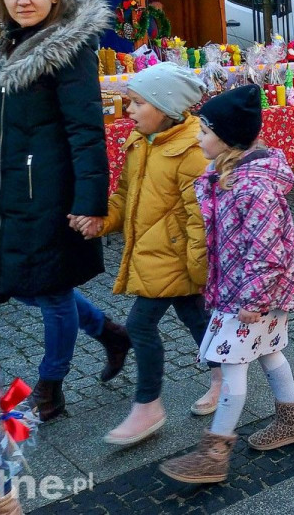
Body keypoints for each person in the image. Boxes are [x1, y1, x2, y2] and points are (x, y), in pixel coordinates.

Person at [0, 0, 129, 423]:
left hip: (52, 191)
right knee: (28, 284)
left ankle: (51, 386)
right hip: (10, 187)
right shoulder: (2, 44)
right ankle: (109, 333)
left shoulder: (68, 49)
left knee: (53, 290)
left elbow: (86, 131)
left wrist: (90, 202)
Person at [160, 85, 294, 484]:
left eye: (205, 131)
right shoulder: (228, 177)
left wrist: (253, 300)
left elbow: (265, 251)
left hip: (253, 296)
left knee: (232, 368)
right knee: (270, 353)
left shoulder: (252, 186)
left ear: (227, 139)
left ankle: (214, 454)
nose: (198, 137)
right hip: (248, 290)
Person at [76, 63, 219, 447]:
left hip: (177, 260)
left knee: (139, 326)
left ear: (165, 106)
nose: (129, 110)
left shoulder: (192, 151)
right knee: (195, 319)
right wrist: (101, 222)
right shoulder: (141, 141)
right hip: (155, 252)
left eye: (138, 102)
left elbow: (200, 221)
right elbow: (125, 196)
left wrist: (200, 273)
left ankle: (148, 406)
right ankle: (224, 373)